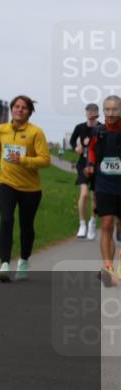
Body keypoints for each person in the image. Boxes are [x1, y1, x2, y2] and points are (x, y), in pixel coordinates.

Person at [0, 95, 51, 282]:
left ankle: (23, 261)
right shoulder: (1, 129)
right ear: (12, 109)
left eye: (24, 108)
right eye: (16, 106)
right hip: (6, 183)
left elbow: (45, 160)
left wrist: (23, 160)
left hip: (30, 188)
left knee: (26, 226)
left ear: (29, 112)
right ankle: (4, 264)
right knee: (6, 220)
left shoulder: (36, 133)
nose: (20, 110)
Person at [84, 95, 121, 287]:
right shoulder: (98, 131)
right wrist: (90, 165)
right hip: (104, 183)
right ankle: (107, 269)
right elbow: (90, 151)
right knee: (106, 223)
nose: (111, 113)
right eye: (107, 109)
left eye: (115, 109)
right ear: (103, 111)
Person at [70, 103, 102, 240]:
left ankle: (92, 223)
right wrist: (76, 147)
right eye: (89, 111)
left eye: (93, 111)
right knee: (83, 194)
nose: (91, 113)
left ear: (97, 112)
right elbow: (72, 141)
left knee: (94, 196)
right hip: (83, 163)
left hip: (97, 165)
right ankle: (82, 224)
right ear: (86, 113)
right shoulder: (80, 127)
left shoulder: (102, 128)